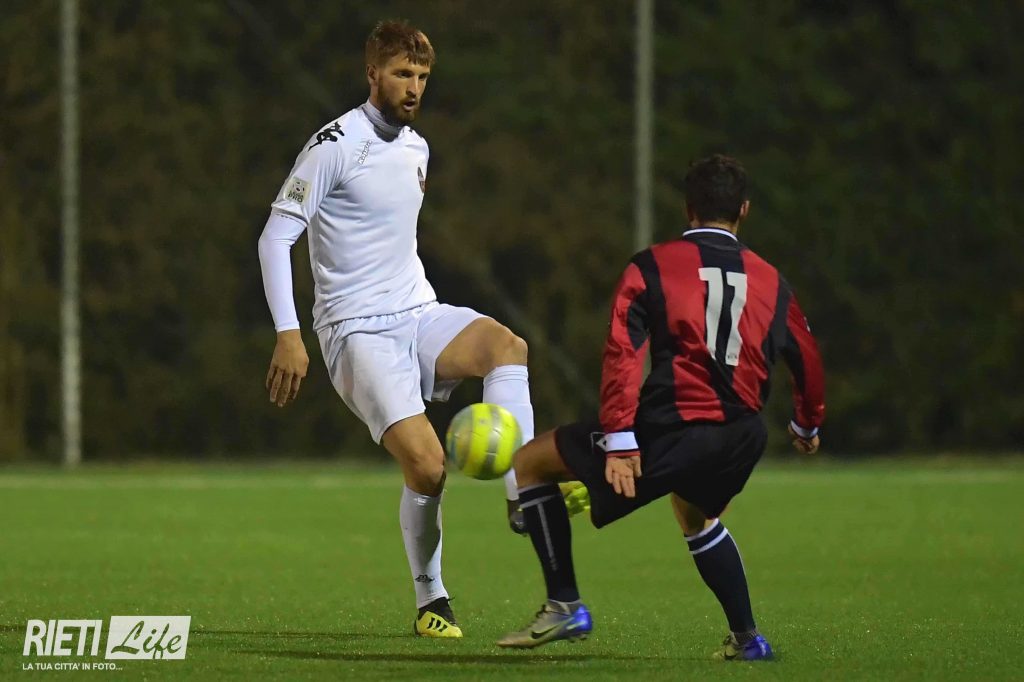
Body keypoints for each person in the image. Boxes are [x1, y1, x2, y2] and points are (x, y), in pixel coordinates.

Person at [257, 20, 536, 638]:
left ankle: (524, 492)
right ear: (372, 74)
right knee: (429, 469)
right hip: (355, 331)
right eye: (401, 74)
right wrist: (288, 332)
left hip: (416, 311)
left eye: (422, 76)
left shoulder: (417, 148)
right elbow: (275, 239)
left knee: (506, 347)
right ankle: (431, 599)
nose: (413, 87)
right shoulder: (334, 144)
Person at [497, 154, 826, 660]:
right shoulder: (771, 280)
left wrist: (620, 440)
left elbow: (623, 353)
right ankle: (747, 640)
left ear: (688, 208)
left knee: (531, 462)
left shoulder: (652, 266)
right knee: (694, 516)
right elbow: (807, 357)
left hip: (674, 425)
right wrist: (806, 424)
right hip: (743, 434)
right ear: (744, 209)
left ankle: (563, 605)